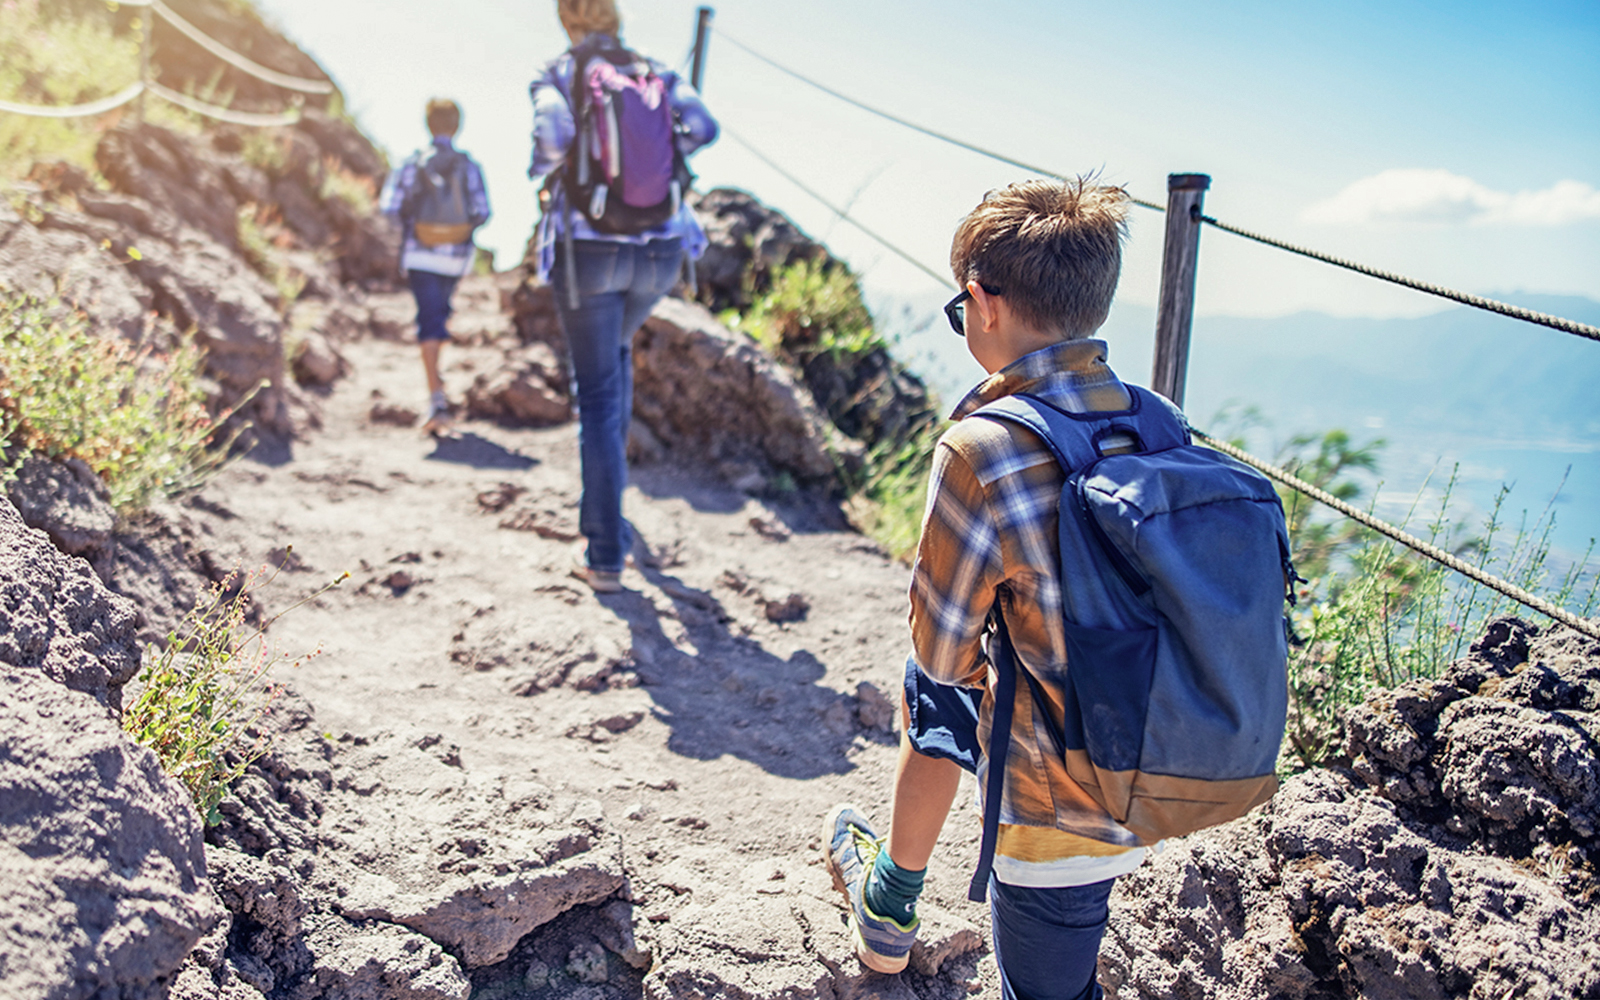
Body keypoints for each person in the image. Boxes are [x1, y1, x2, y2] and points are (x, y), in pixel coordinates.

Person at [824, 179, 1147, 1000]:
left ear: (980, 303)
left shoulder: (982, 449)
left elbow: (940, 653)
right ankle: (890, 906)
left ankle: (891, 906)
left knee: (1046, 989)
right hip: (1161, 753)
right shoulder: (1156, 422)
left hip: (1055, 802)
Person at [528, 0, 718, 594]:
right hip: (660, 252)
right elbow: (704, 127)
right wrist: (661, 158)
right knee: (614, 357)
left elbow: (553, 135)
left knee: (599, 398)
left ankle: (605, 554)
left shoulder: (558, 71)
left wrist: (551, 173)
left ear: (567, 19)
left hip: (590, 252)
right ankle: (604, 519)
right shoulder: (656, 69)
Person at [379, 98, 491, 435]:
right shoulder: (469, 165)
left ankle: (436, 398)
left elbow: (390, 206)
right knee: (438, 316)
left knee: (429, 319)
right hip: (455, 257)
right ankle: (437, 389)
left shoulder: (412, 162)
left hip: (420, 252)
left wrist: (417, 225)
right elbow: (483, 211)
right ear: (457, 126)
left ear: (428, 124)